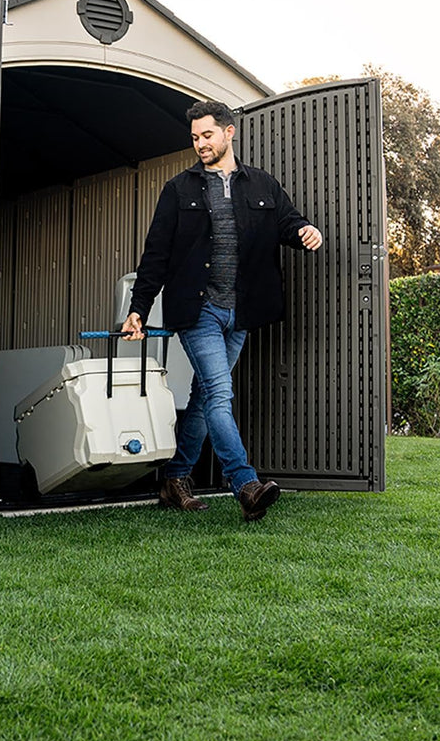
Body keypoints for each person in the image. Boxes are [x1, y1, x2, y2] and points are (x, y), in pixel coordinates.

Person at [122, 100, 322, 522]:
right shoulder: (179, 189)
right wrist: (139, 308)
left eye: (207, 135)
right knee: (219, 392)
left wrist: (305, 229)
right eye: (194, 138)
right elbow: (156, 253)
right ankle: (245, 483)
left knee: (203, 396)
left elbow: (287, 221)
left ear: (229, 132)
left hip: (241, 311)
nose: (200, 144)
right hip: (199, 310)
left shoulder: (262, 185)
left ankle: (174, 479)